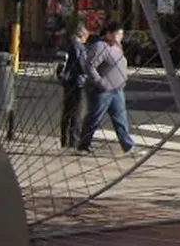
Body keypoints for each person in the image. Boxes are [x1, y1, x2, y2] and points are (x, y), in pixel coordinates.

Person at [77, 22, 137, 155]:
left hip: (117, 89)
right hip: (102, 90)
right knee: (94, 117)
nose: (120, 36)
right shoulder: (101, 46)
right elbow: (90, 66)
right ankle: (83, 145)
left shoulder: (117, 47)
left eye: (121, 33)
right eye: (117, 33)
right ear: (109, 33)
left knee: (120, 118)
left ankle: (128, 146)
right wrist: (100, 82)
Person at [59, 24, 89, 149]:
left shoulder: (67, 44)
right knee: (77, 112)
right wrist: (89, 72)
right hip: (77, 82)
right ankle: (73, 141)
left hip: (68, 81)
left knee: (67, 110)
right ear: (82, 35)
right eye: (86, 36)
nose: (86, 39)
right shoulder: (78, 46)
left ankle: (64, 139)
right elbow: (81, 65)